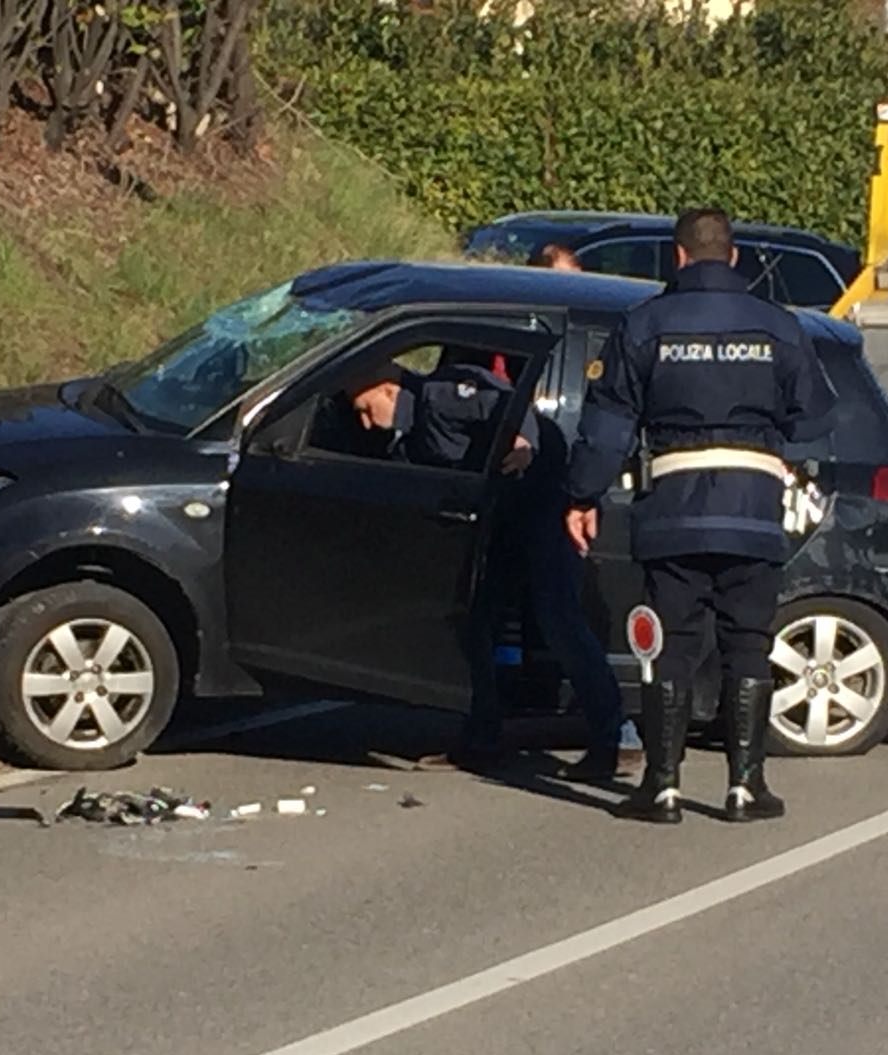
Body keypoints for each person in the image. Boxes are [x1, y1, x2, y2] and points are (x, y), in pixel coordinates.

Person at [563, 208, 835, 825]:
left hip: (673, 515)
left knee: (671, 651)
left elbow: (605, 429)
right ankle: (746, 787)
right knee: (748, 646)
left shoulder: (644, 325)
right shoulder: (779, 327)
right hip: (753, 514)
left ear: (678, 257)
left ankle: (662, 787)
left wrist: (581, 497)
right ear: (733, 256)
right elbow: (814, 422)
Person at [346, 358, 629, 779]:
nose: (367, 424)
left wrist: (522, 442)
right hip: (502, 521)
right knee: (474, 622)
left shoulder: (441, 396)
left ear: (388, 389)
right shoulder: (410, 435)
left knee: (559, 621)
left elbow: (507, 404)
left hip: (546, 507)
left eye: (366, 409)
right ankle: (483, 738)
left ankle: (614, 738)